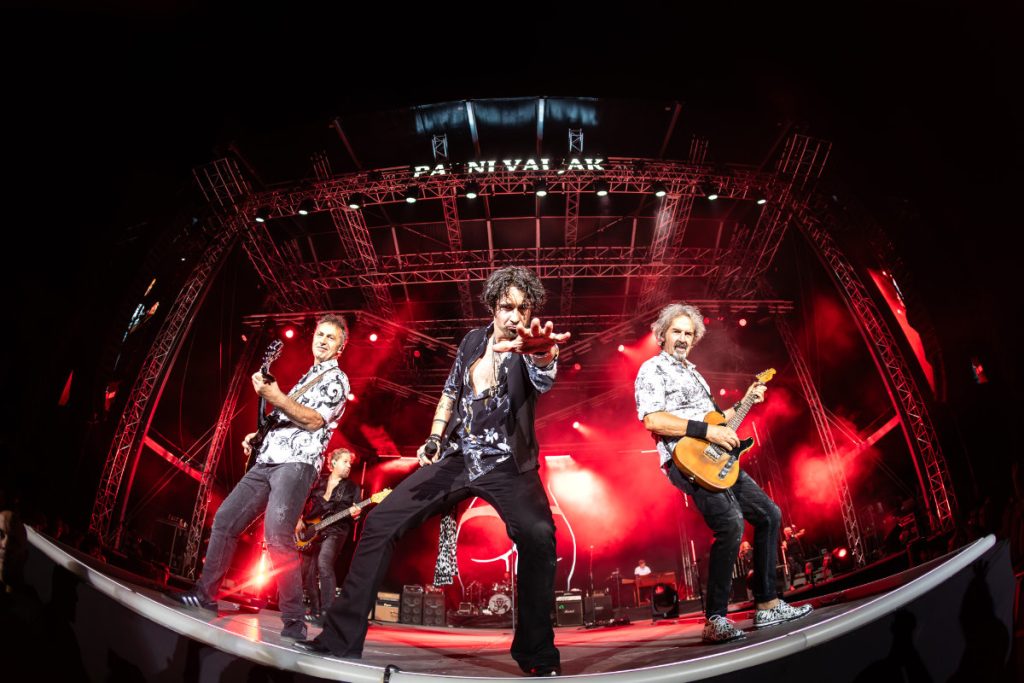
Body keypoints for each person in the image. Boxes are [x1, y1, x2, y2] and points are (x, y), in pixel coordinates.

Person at [295, 266, 570, 677]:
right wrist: (435, 437)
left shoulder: (529, 345)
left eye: (523, 309)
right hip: (458, 458)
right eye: (507, 307)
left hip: (507, 464)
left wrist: (543, 353)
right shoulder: (473, 341)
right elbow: (450, 392)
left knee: (539, 536)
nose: (515, 316)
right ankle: (339, 639)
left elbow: (544, 376)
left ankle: (537, 653)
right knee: (380, 522)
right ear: (493, 307)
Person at [634, 303, 811, 643]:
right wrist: (707, 431)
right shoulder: (652, 369)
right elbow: (653, 420)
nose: (682, 338)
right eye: (676, 331)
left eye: (689, 333)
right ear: (662, 334)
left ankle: (767, 604)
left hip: (717, 457)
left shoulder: (695, 374)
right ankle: (715, 619)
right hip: (686, 458)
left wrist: (745, 401)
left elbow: (718, 421)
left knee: (769, 515)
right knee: (730, 524)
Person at [169, 314, 351, 641]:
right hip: (268, 461)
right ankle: (205, 595)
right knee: (225, 520)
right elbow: (286, 417)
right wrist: (258, 436)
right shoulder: (308, 376)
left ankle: (294, 621)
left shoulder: (337, 379)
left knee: (278, 535)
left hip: (296, 464)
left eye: (330, 337)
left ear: (340, 347)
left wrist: (275, 395)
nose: (322, 340)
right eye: (320, 334)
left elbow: (313, 421)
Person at [297, 447, 362, 625]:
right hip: (312, 529)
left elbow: (357, 513)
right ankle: (316, 611)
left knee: (324, 563)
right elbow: (302, 498)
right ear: (333, 462)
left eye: (350, 463)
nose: (349, 466)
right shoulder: (318, 482)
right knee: (308, 571)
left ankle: (327, 613)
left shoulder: (352, 488)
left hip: (336, 530)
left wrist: (357, 514)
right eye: (345, 461)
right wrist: (299, 517)